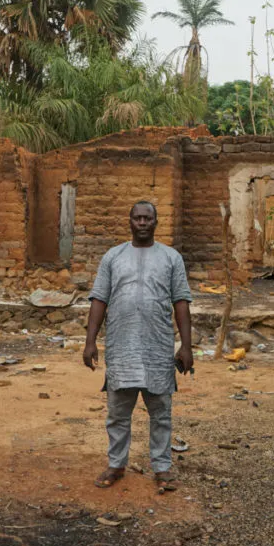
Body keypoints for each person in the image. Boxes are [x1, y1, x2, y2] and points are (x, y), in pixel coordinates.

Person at [83, 200, 193, 489]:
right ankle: (116, 465)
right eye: (137, 218)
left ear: (156, 222)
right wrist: (90, 341)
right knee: (118, 413)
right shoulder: (113, 257)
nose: (142, 223)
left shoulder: (171, 258)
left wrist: (186, 345)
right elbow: (99, 299)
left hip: (158, 347)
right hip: (122, 347)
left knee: (161, 412)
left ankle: (162, 467)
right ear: (129, 221)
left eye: (148, 218)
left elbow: (180, 301)